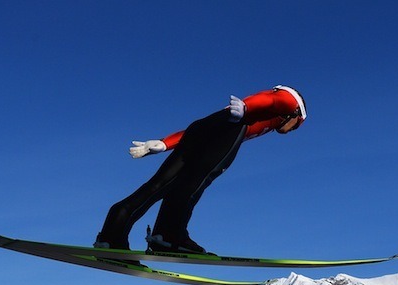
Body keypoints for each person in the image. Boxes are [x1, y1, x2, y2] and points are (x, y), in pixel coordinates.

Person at [94, 85, 307, 254]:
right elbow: (273, 98)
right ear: (298, 114)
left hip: (203, 129)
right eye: (297, 126)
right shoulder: (290, 103)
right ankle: (169, 236)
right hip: (229, 129)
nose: (290, 131)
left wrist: (165, 143)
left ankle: (112, 235)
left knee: (160, 185)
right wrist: (246, 108)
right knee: (193, 185)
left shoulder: (269, 117)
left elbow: (204, 126)